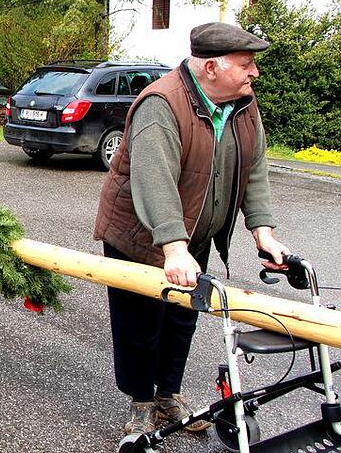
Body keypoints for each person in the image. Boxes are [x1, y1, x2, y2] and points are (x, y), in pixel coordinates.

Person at [94, 22, 291, 436]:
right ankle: (141, 401)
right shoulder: (162, 104)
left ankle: (168, 395)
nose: (254, 72)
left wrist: (263, 232)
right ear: (212, 67)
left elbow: (253, 170)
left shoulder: (242, 104)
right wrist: (173, 247)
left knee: (182, 318)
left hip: (191, 235)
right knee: (140, 323)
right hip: (143, 236)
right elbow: (154, 179)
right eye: (246, 64)